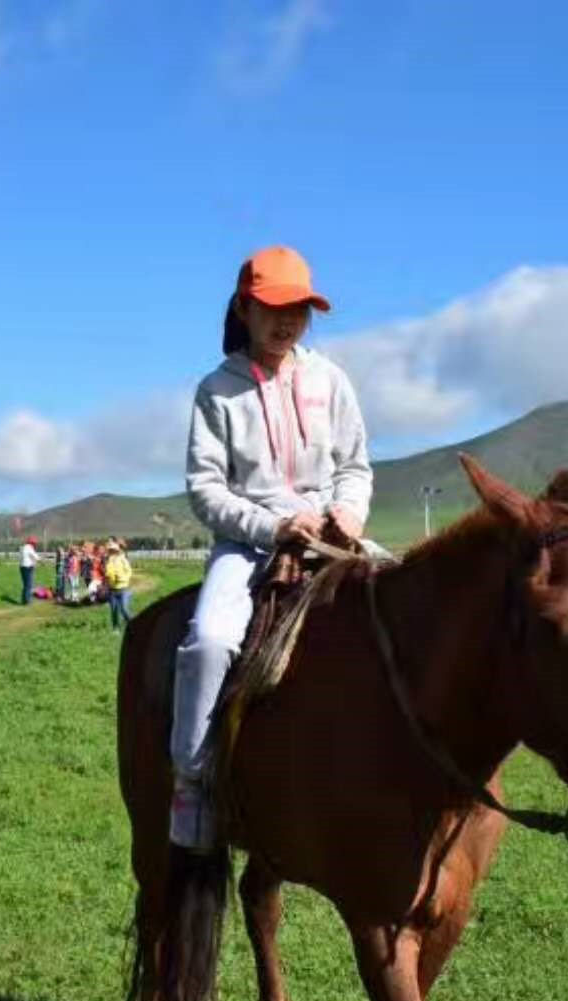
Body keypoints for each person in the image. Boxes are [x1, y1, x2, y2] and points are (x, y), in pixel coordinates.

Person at [169, 245, 373, 852]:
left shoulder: (330, 380)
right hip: (248, 544)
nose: (287, 322)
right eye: (274, 308)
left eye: (300, 310)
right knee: (208, 642)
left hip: (334, 538)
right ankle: (192, 782)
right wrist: (271, 529)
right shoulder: (216, 390)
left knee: (409, 607)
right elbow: (205, 489)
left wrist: (349, 513)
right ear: (245, 307)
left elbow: (355, 465)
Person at [104, 539, 133, 631]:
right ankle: (115, 629)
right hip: (112, 590)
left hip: (124, 589)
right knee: (114, 611)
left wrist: (122, 578)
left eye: (113, 550)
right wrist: (108, 576)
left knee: (124, 609)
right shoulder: (109, 561)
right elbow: (108, 572)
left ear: (117, 551)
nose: (112, 552)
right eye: (110, 551)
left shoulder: (123, 559)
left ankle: (133, 623)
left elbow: (129, 572)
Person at [18, 535, 41, 605]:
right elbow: (35, 557)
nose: (35, 545)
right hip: (28, 567)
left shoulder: (23, 547)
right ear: (32, 543)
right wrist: (41, 560)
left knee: (25, 584)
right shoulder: (29, 548)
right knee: (29, 584)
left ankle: (23, 600)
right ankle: (28, 601)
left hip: (22, 567)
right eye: (34, 543)